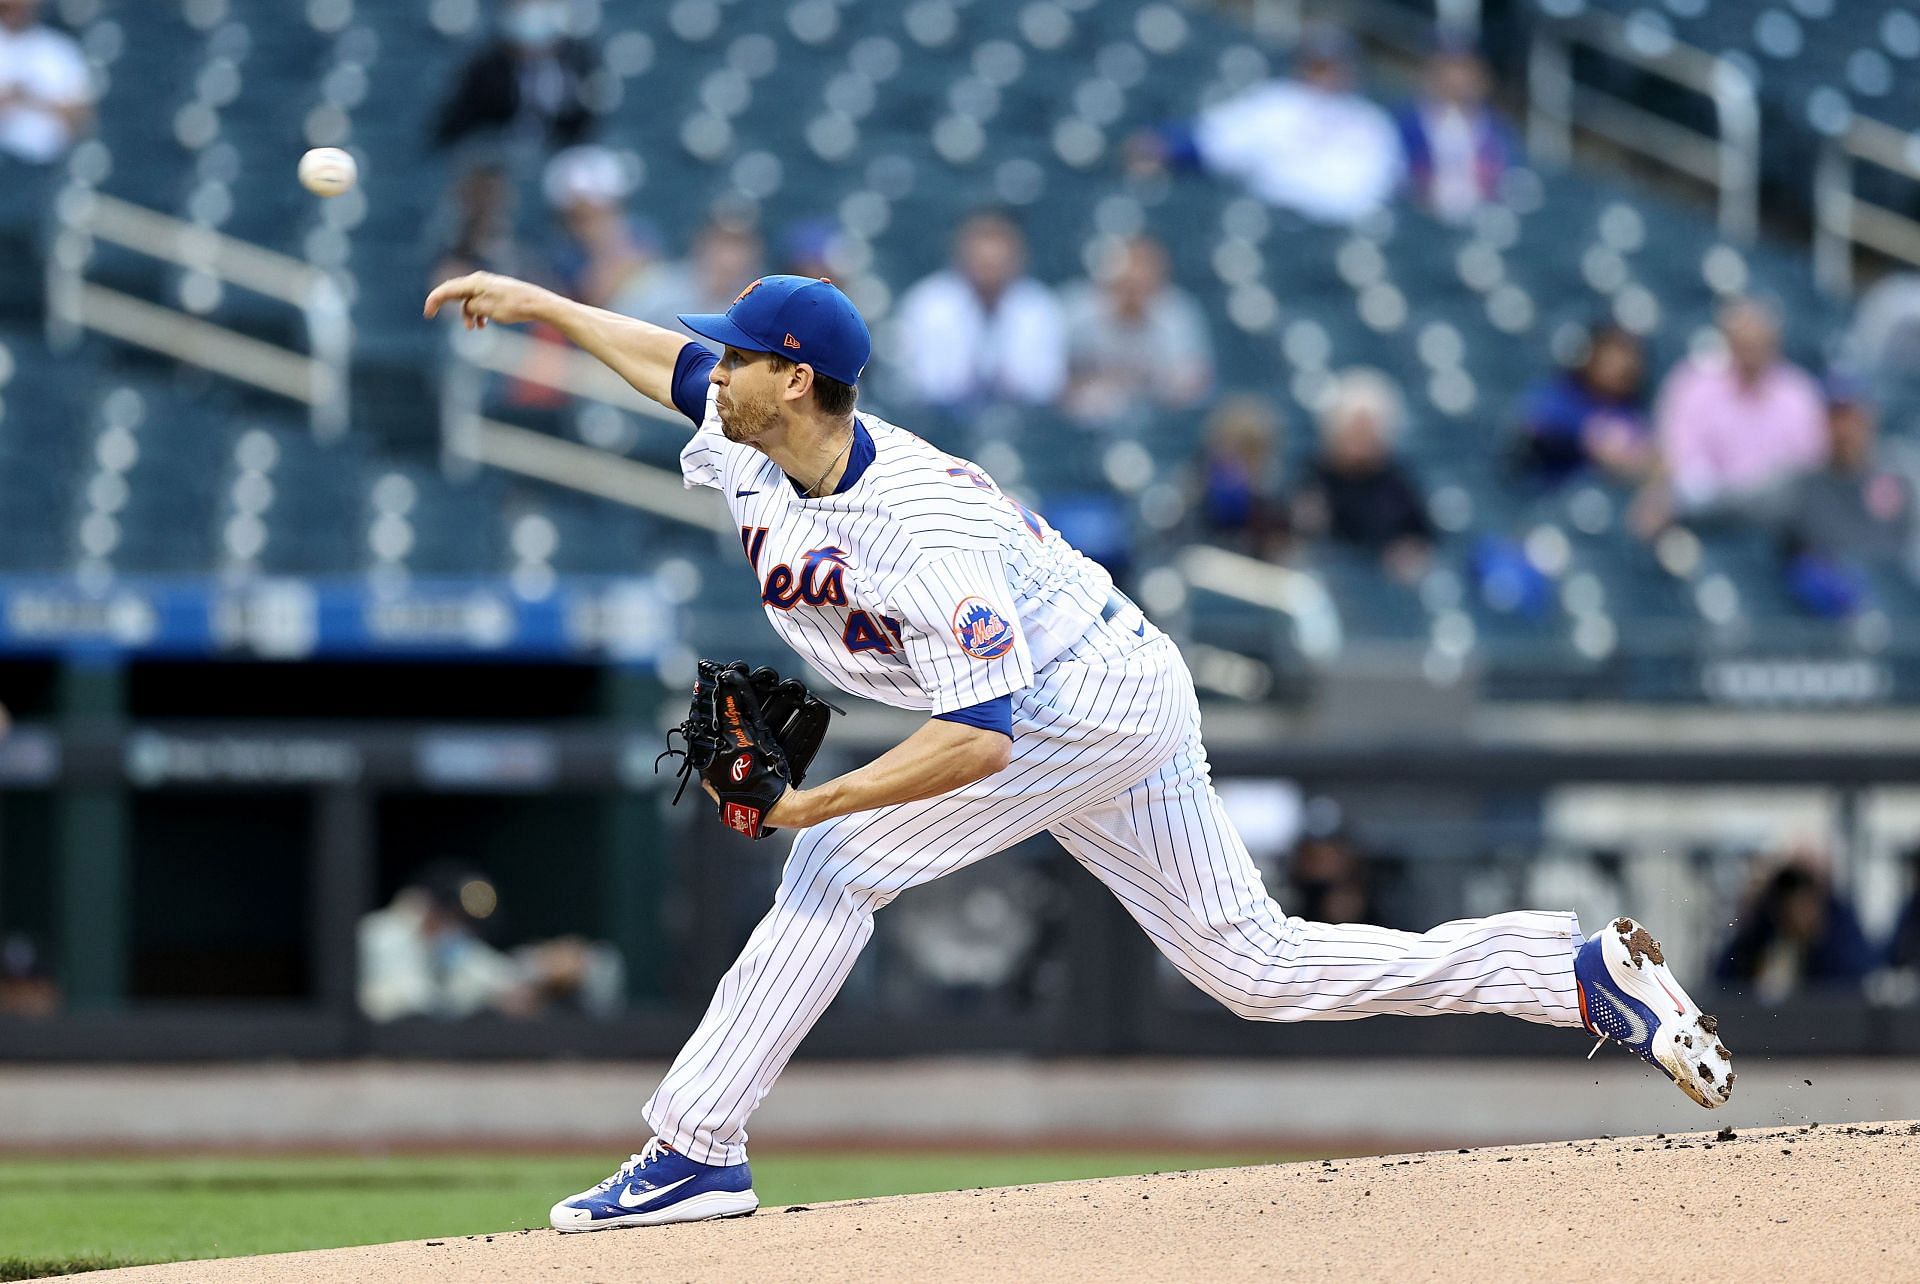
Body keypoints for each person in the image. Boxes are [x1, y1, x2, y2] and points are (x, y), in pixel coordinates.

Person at [423, 265, 1736, 1232]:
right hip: (1101, 676)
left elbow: (979, 742)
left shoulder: (919, 531)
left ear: (800, 379)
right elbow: (668, 364)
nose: (717, 370)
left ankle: (695, 1148)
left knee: (833, 873)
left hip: (1079, 701)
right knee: (1253, 967)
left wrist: (816, 811)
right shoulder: (763, 437)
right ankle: (1569, 972)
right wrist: (540, 307)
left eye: (742, 357)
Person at [1129, 25, 1402, 225]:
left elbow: (1394, 182)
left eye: (1334, 66)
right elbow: (1218, 142)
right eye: (1320, 65)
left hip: (1351, 227)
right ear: (1304, 65)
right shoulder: (1277, 102)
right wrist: (1169, 149)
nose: (1328, 74)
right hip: (1279, 221)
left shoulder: (1372, 120)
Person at [357, 862, 623, 1021]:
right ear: (434, 912)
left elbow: (498, 977)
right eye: (455, 920)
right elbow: (408, 1008)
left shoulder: (451, 949)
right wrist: (487, 1001)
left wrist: (539, 975)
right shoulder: (382, 935)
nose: (460, 932)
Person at [1647, 297, 1827, 523]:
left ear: (1775, 342)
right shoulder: (1693, 384)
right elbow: (1679, 459)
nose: (1751, 350)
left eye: (1758, 342)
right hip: (1707, 515)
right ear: (1727, 340)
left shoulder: (1799, 394)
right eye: (1743, 342)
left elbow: (1807, 468)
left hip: (1778, 521)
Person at [891, 209, 1066, 411]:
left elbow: (1046, 384)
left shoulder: (1039, 307)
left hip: (1021, 419)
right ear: (961, 255)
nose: (990, 268)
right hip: (941, 420)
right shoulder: (928, 304)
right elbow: (923, 381)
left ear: (1017, 259)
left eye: (998, 261)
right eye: (983, 262)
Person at [1775, 377, 1916, 617]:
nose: (1845, 429)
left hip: (1897, 615)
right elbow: (1741, 506)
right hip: (1825, 621)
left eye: (1852, 418)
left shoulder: (1901, 478)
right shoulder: (1801, 484)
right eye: (1835, 418)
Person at [1292, 368, 1435, 583]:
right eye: (1354, 427)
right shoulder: (1311, 477)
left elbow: (1422, 541)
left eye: (1368, 428)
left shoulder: (1397, 485)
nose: (1360, 438)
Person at [1061, 234, 1213, 427]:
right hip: (1084, 422)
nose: (1136, 277)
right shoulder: (1077, 309)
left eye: (1144, 269)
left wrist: (1143, 382)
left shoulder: (1178, 315)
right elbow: (1050, 378)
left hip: (1159, 421)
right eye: (1129, 268)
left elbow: (1194, 384)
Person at [430, 0, 599, 156]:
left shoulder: (581, 62)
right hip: (496, 159)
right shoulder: (483, 69)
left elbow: (590, 128)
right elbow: (453, 130)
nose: (533, 14)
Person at [1715, 853, 1877, 1002]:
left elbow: (1854, 983)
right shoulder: (1763, 934)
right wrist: (1752, 914)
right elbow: (1724, 982)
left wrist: (1818, 939)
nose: (1797, 911)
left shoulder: (1840, 932)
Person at [1515, 323, 1655, 489]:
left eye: (1630, 364)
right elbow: (1535, 424)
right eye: (1612, 360)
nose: (1622, 368)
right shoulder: (1560, 394)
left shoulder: (1631, 414)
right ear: (1593, 357)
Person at [1393, 37, 1515, 223]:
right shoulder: (1405, 124)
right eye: (1450, 69)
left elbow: (1508, 178)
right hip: (1419, 219)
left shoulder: (1498, 129)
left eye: (1465, 70)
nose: (1457, 79)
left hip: (1481, 220)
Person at [540, 145, 659, 312]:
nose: (590, 226)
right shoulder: (564, 254)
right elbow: (592, 299)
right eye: (579, 219)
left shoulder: (640, 233)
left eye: (598, 214)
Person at [621, 213, 765, 347]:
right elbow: (620, 338)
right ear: (700, 241)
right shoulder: (656, 286)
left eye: (739, 245)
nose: (728, 257)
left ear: (755, 251)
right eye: (721, 242)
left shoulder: (761, 306)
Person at [1192, 394, 1290, 558]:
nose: (1237, 461)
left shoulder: (1273, 511)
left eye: (1250, 452)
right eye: (1230, 449)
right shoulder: (1193, 502)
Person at [0, 0, 92, 165]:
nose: (15, 12)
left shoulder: (59, 50)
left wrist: (28, 98)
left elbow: (81, 118)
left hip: (40, 164)